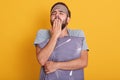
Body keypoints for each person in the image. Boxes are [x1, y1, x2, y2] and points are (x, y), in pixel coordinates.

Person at [34, 2, 89, 80]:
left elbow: (83, 62)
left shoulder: (78, 34)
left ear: (68, 19)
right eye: (54, 13)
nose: (57, 16)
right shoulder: (42, 33)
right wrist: (55, 35)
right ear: (50, 18)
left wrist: (56, 65)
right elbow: (42, 60)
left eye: (61, 13)